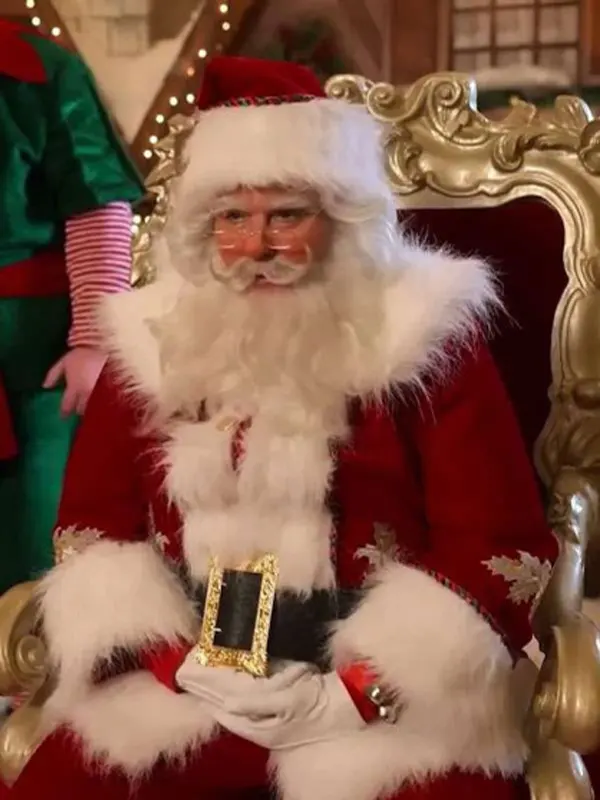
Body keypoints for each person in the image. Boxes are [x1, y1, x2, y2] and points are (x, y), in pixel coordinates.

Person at [8, 56, 556, 800]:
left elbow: (496, 541)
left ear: (342, 218)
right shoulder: (149, 341)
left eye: (286, 215)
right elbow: (94, 526)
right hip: (184, 683)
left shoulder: (427, 338)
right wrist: (174, 662)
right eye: (233, 217)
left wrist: (365, 688)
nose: (257, 247)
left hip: (388, 707)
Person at [0, 20, 145, 594]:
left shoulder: (39, 70)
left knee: (35, 524)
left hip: (33, 364)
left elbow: (97, 205)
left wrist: (93, 339)